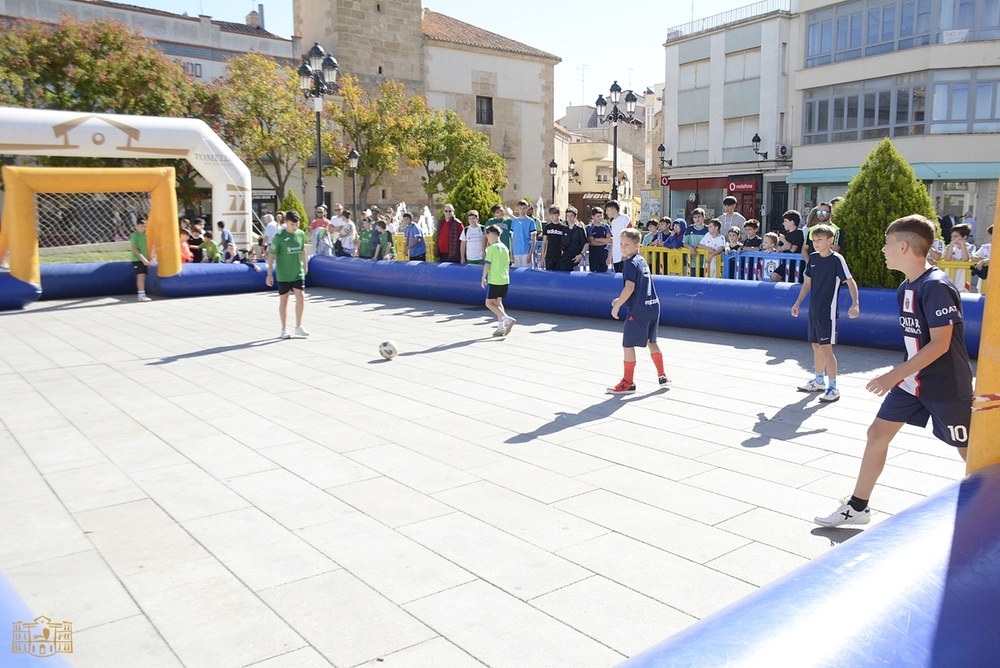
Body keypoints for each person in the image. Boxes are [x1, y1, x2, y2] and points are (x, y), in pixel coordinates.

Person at [814, 214, 973, 527]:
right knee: (877, 433)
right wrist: (901, 377)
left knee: (970, 452)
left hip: (946, 385)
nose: (883, 250)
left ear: (903, 246)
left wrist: (892, 375)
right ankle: (858, 507)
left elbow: (940, 345)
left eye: (887, 244)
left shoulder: (937, 287)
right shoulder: (906, 287)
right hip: (911, 383)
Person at [791, 225, 861, 402]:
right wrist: (798, 303)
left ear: (830, 241)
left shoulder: (837, 260)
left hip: (827, 313)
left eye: (819, 240)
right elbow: (808, 283)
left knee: (826, 349)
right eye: (814, 240)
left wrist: (855, 304)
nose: (816, 243)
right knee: (816, 345)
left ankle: (833, 387)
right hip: (814, 310)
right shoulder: (813, 258)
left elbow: (850, 282)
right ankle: (819, 380)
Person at [607, 227, 670, 394]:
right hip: (653, 306)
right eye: (621, 244)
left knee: (628, 344)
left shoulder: (629, 263)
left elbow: (629, 286)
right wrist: (621, 299)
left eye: (627, 244)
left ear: (637, 246)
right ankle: (662, 375)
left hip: (639, 310)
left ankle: (628, 382)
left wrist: (618, 305)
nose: (623, 247)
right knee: (652, 341)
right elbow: (638, 287)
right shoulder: (641, 260)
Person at [265, 210, 309, 339]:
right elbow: (271, 256)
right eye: (292, 224)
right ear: (286, 223)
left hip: (297, 272)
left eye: (297, 224)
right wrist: (269, 274)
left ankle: (299, 326)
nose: (295, 227)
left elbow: (303, 251)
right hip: (283, 274)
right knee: (284, 300)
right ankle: (284, 328)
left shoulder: (300, 234)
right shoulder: (279, 237)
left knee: (300, 297)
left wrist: (305, 266)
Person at [481, 224, 515, 337]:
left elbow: (487, 264)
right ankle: (501, 327)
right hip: (504, 279)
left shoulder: (491, 249)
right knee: (498, 302)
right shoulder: (505, 248)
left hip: (494, 279)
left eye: (487, 237)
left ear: (491, 235)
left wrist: (483, 278)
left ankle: (506, 319)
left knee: (489, 303)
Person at [771, 211, 804, 282]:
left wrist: (784, 241)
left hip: (795, 263)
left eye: (785, 221)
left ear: (792, 222)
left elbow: (793, 249)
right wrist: (785, 246)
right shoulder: (785, 233)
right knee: (774, 276)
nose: (783, 224)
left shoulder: (799, 232)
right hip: (786, 261)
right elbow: (779, 248)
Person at [943, 222, 975, 292]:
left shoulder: (970, 247)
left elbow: (966, 259)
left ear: (964, 237)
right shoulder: (950, 247)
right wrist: (951, 244)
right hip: (949, 279)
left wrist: (963, 244)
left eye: (956, 236)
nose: (953, 238)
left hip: (963, 280)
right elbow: (947, 258)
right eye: (952, 236)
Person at [606, 200, 632, 273]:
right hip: (616, 257)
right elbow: (614, 240)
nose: (606, 212)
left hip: (624, 256)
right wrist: (609, 256)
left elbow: (630, 236)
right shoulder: (613, 222)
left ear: (614, 209)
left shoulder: (625, 219)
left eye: (608, 210)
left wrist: (626, 253)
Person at [559, 206, 587, 271]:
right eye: (567, 216)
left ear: (575, 216)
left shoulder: (579, 229)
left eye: (571, 216)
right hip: (565, 256)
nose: (569, 218)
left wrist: (581, 255)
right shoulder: (565, 229)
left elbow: (586, 243)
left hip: (575, 256)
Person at [682, 208, 710, 276]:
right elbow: (684, 243)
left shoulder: (708, 229)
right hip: (692, 260)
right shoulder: (689, 229)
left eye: (699, 216)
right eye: (695, 217)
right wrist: (691, 248)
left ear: (704, 217)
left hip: (705, 260)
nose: (697, 219)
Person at [130, 219, 152, 302]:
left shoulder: (145, 235)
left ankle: (142, 294)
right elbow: (135, 248)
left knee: (143, 276)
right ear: (136, 226)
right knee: (140, 276)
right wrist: (142, 258)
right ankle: (141, 294)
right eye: (141, 226)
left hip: (145, 259)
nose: (143, 228)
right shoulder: (134, 235)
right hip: (137, 259)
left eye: (144, 226)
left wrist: (149, 258)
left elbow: (147, 248)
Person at [510, 199, 536, 268]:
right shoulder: (514, 221)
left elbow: (534, 238)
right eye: (520, 208)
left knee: (527, 274)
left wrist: (530, 253)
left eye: (524, 208)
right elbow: (512, 238)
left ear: (527, 208)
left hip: (526, 252)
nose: (522, 210)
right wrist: (511, 253)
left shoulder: (531, 222)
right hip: (516, 252)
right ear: (517, 208)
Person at [541, 205, 567, 270]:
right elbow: (544, 242)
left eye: (554, 214)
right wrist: (542, 256)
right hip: (549, 255)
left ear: (558, 214)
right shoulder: (547, 227)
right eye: (550, 214)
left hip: (560, 256)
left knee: (559, 275)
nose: (552, 216)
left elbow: (566, 242)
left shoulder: (564, 228)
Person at [586, 207, 612, 272]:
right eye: (598, 216)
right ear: (593, 217)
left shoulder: (606, 226)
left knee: (604, 273)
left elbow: (609, 240)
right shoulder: (590, 228)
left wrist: (597, 239)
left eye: (601, 216)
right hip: (594, 255)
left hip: (604, 254)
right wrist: (604, 241)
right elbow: (592, 242)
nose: (600, 218)